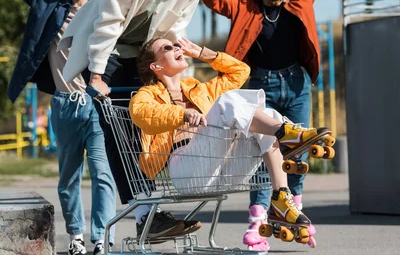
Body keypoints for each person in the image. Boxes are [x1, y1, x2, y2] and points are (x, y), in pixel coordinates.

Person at [201, 0, 377, 250]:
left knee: (298, 149)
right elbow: (216, 2)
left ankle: (294, 207)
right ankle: (259, 218)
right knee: (263, 149)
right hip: (260, 87)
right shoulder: (245, 5)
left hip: (296, 84)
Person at [59, 0, 207, 239]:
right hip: (108, 51)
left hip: (146, 53)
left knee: (149, 128)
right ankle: (145, 212)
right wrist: (97, 75)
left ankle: (149, 214)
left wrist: (169, 72)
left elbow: (178, 24)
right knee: (119, 131)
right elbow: (107, 24)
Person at [0, 0, 116, 255]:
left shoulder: (108, 9)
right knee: (69, 178)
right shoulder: (52, 4)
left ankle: (100, 237)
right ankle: (76, 237)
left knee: (102, 174)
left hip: (97, 105)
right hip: (63, 104)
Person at [129, 37, 329, 244]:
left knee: (266, 113)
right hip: (186, 172)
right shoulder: (148, 94)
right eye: (168, 47)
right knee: (228, 102)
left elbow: (241, 71)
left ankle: (281, 198)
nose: (177, 48)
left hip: (224, 172)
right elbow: (141, 113)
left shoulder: (198, 89)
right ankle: (288, 133)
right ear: (156, 65)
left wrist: (202, 53)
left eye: (176, 44)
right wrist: (182, 114)